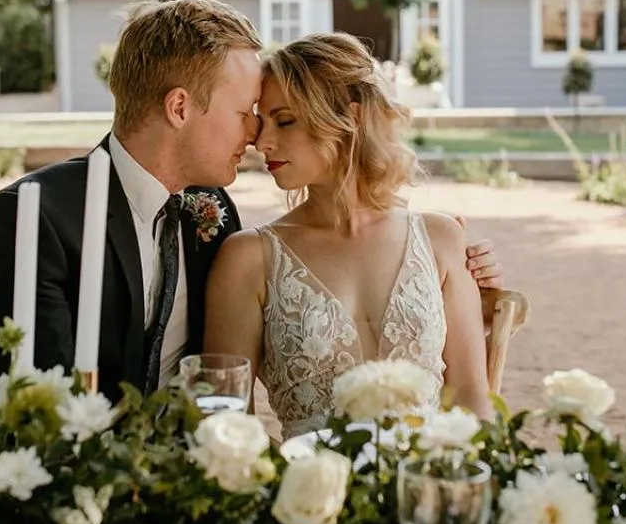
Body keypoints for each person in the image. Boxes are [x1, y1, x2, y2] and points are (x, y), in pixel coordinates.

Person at [0, 0, 503, 403]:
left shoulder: (212, 216)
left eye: (273, 119)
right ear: (179, 108)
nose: (256, 137)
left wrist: (446, 279)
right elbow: (41, 405)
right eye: (247, 111)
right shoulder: (33, 219)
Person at [204, 33, 491, 438]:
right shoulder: (248, 258)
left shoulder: (441, 239)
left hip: (425, 485)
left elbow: (470, 397)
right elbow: (226, 421)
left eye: (285, 120)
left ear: (351, 118)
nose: (261, 142)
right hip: (307, 495)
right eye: (261, 121)